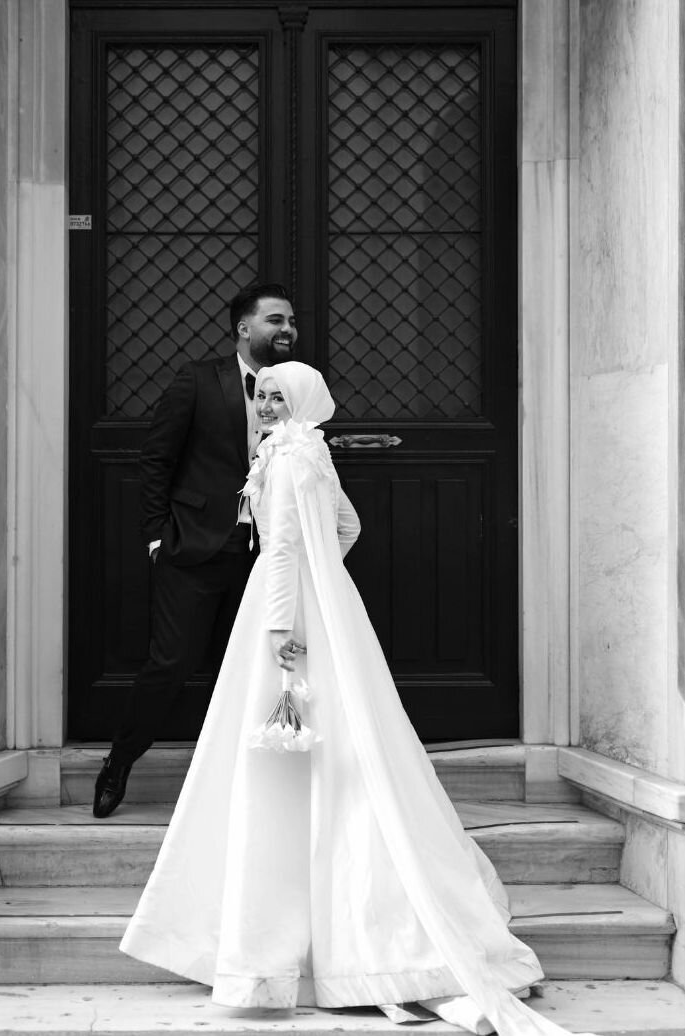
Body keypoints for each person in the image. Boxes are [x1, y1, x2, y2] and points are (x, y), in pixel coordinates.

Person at [119, 363, 596, 1036]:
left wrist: (283, 624)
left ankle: (280, 939)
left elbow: (282, 547)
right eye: (262, 395)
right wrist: (327, 583)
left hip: (282, 611)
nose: (265, 404)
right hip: (325, 604)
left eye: (277, 397)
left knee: (283, 756)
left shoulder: (285, 456)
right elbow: (347, 526)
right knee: (349, 739)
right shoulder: (308, 448)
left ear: (303, 402)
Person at [92, 283, 297, 819]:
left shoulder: (297, 387)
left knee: (259, 667)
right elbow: (156, 457)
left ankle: (249, 788)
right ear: (243, 329)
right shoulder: (198, 380)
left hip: (266, 554)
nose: (287, 330)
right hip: (196, 547)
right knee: (171, 662)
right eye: (275, 320)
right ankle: (120, 761)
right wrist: (158, 536)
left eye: (290, 322)